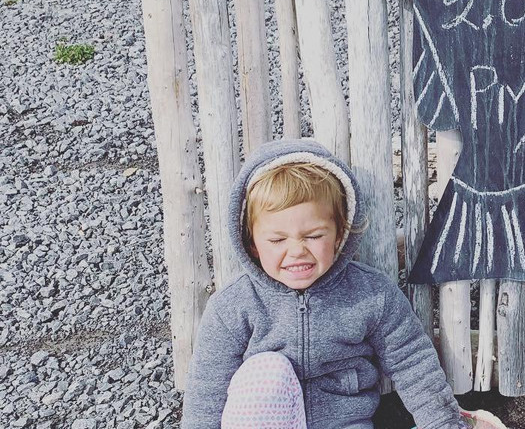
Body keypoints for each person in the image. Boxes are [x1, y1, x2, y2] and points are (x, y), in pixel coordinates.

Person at [181, 138, 503, 429]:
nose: (297, 251)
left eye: (314, 236)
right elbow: (207, 391)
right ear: (252, 244)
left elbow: (412, 362)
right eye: (277, 239)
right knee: (264, 372)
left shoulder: (370, 295)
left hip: (346, 421)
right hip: (265, 420)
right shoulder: (233, 307)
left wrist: (442, 423)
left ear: (338, 235)